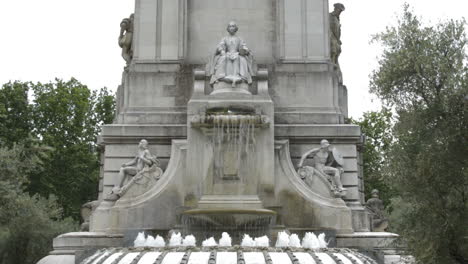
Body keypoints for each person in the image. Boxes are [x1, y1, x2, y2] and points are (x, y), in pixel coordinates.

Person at [209, 21, 254, 88]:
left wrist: (244, 50)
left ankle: (236, 76)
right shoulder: (224, 38)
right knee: (225, 57)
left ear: (236, 28)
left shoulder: (239, 39)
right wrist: (221, 51)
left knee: (238, 58)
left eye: (233, 26)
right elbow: (220, 46)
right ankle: (223, 75)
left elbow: (243, 46)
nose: (231, 28)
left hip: (237, 54)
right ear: (228, 28)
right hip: (227, 54)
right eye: (230, 26)